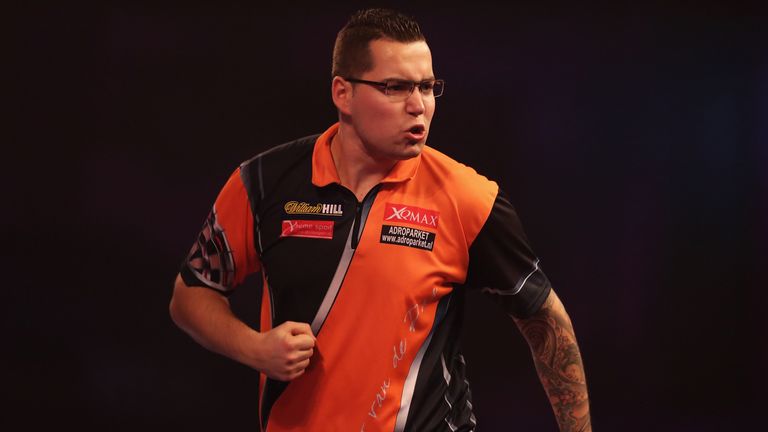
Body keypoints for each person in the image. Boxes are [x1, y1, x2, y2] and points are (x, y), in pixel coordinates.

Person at [170, 8, 591, 432]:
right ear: (342, 93)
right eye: (395, 87)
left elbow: (546, 320)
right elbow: (190, 296)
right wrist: (255, 349)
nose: (418, 106)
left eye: (427, 87)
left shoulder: (468, 198)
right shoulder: (262, 183)